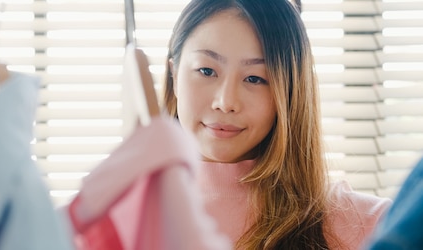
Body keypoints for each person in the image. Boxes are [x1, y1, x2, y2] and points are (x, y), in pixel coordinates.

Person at [162, 0, 392, 249]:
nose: (226, 102)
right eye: (206, 71)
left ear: (289, 93)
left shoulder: (369, 224)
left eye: (255, 78)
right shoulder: (126, 210)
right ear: (174, 74)